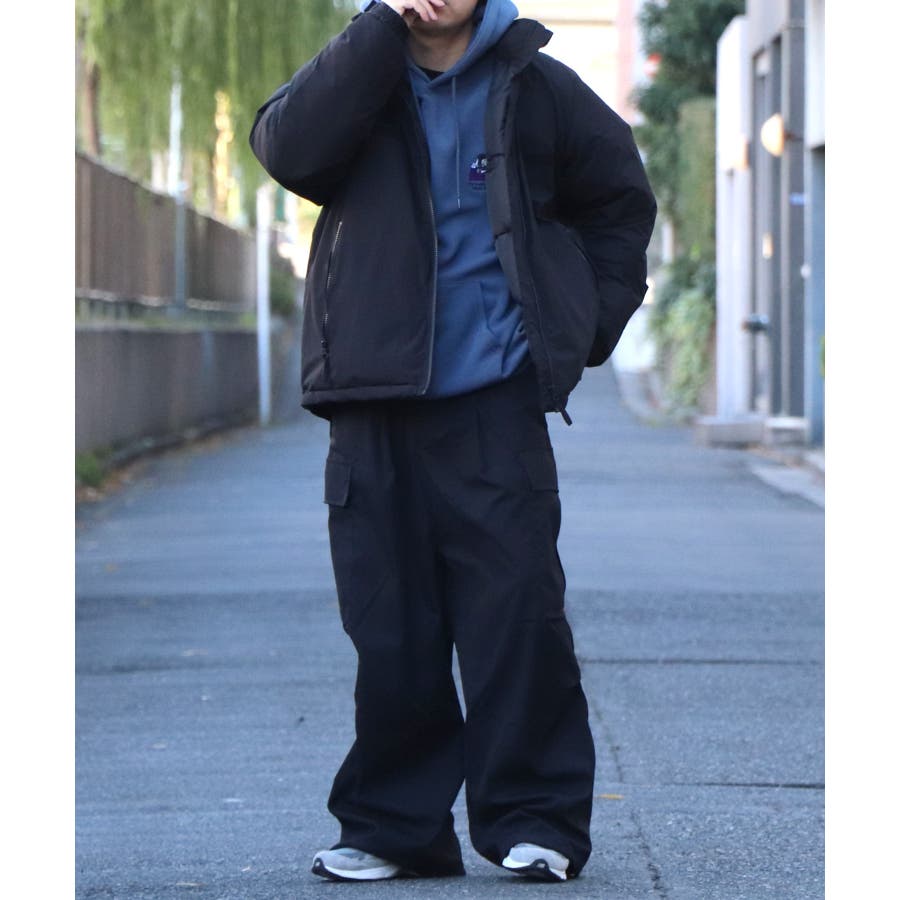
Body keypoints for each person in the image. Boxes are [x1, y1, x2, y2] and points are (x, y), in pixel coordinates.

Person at [249, 0, 656, 884]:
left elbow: (621, 203)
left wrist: (581, 325)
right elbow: (287, 151)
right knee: (389, 625)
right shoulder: (359, 79)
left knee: (518, 618)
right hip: (373, 399)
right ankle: (394, 829)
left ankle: (536, 821)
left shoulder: (539, 89)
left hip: (494, 400)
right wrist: (375, 32)